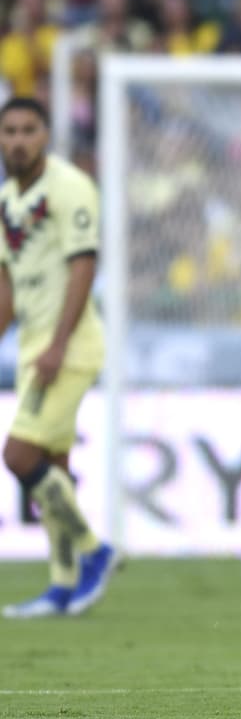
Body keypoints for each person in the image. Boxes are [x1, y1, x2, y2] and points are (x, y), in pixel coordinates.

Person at [0, 97, 116, 619]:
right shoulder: (7, 200)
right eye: (9, 131)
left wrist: (57, 344)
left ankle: (95, 551)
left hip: (67, 348)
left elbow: (84, 266)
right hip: (36, 349)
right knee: (52, 467)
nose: (18, 140)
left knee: (18, 456)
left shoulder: (69, 187)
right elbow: (7, 285)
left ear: (44, 135)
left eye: (28, 130)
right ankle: (63, 584)